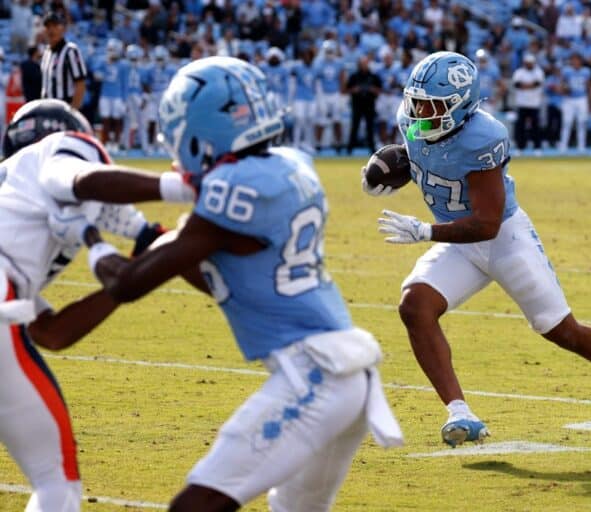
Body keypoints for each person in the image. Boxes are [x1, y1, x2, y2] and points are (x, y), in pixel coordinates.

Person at [84, 56, 402, 511]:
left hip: (311, 376)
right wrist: (148, 234)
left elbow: (128, 284)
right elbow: (221, 273)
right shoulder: (290, 164)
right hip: (351, 373)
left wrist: (90, 236)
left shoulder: (232, 189)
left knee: (192, 506)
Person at [364, 51, 591, 448]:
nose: (418, 114)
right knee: (415, 306)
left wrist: (426, 231)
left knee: (561, 331)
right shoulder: (413, 122)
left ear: (462, 106)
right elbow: (418, 158)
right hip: (458, 240)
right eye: (416, 102)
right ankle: (460, 413)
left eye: (431, 107)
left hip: (502, 237)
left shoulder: (483, 138)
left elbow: (486, 222)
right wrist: (386, 170)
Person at [0, 98, 193, 512]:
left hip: (9, 297)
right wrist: (176, 187)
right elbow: (74, 178)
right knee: (56, 483)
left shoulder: (16, 210)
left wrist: (132, 276)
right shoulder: (57, 154)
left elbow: (51, 332)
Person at [40, 11, 87, 110]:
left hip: (64, 109)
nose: (51, 30)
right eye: (48, 26)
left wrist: (72, 111)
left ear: (63, 28)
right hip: (47, 108)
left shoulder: (70, 51)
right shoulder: (46, 52)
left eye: (55, 25)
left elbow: (80, 84)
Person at [346, 55, 381, 155]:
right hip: (357, 104)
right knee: (355, 127)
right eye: (362, 64)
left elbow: (379, 90)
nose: (364, 65)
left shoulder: (373, 76)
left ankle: (372, 148)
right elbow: (346, 90)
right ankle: (350, 148)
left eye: (365, 63)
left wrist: (373, 90)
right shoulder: (354, 76)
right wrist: (355, 90)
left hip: (369, 104)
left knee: (370, 127)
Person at [558, 53, 591, 153]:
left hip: (581, 98)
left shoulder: (586, 71)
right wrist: (564, 89)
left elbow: (588, 87)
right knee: (567, 122)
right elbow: (562, 84)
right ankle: (563, 146)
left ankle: (581, 146)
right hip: (569, 99)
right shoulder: (566, 71)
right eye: (573, 60)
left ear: (580, 61)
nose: (575, 62)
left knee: (581, 123)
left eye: (577, 60)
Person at [511, 53, 544, 156]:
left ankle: (537, 148)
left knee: (535, 127)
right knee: (520, 127)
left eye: (531, 63)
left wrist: (525, 85)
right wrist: (530, 85)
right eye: (527, 63)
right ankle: (520, 147)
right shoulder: (519, 72)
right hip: (522, 103)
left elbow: (537, 83)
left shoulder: (538, 72)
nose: (529, 65)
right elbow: (517, 84)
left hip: (534, 104)